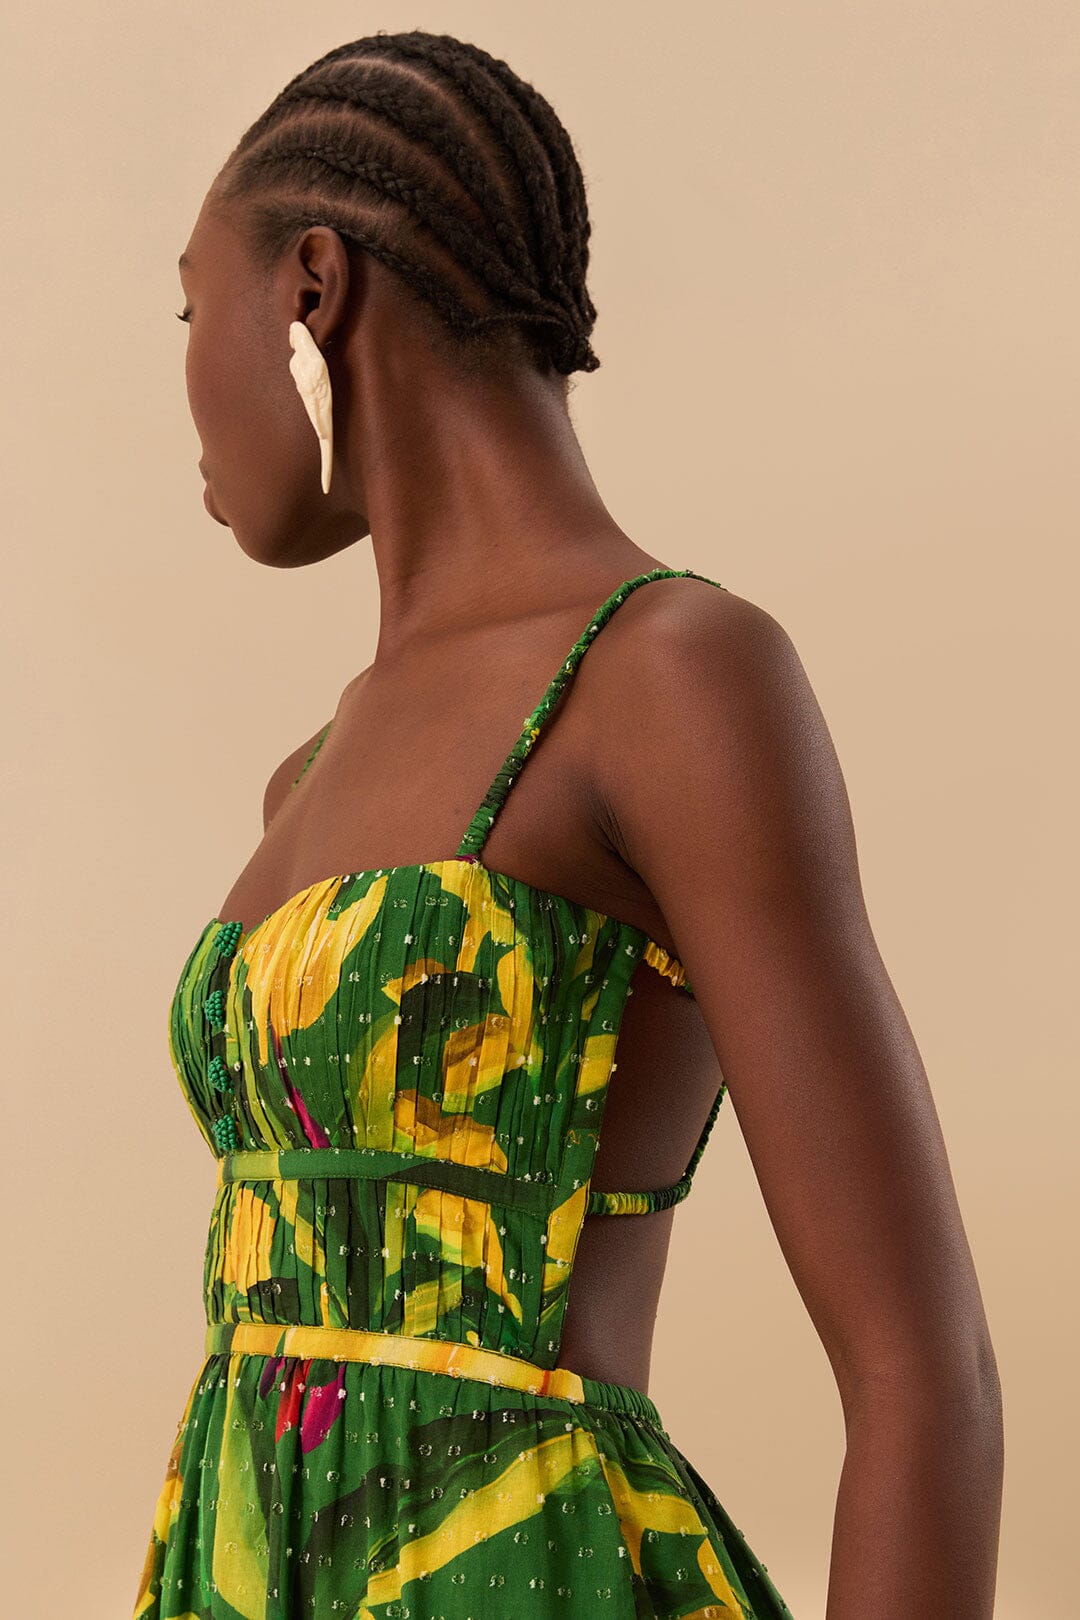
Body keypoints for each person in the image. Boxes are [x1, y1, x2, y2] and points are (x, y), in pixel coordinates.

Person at [134, 27, 1003, 1620]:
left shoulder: (672, 675)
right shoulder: (307, 774)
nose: (184, 382)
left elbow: (920, 1374)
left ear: (313, 285)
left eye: (192, 311)